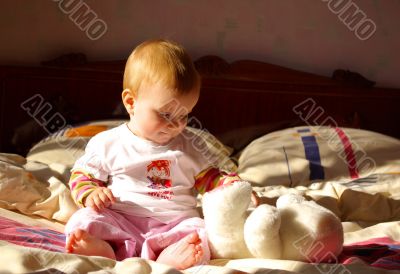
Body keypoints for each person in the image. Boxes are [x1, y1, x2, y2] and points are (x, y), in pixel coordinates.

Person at [64, 39, 258, 270]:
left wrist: (234, 189)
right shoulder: (108, 143)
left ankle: (168, 258)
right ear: (131, 102)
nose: (176, 125)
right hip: (122, 220)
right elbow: (82, 176)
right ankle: (105, 249)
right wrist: (91, 193)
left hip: (173, 225)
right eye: (166, 114)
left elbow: (211, 179)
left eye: (184, 115)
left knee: (202, 232)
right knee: (83, 219)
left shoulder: (191, 146)